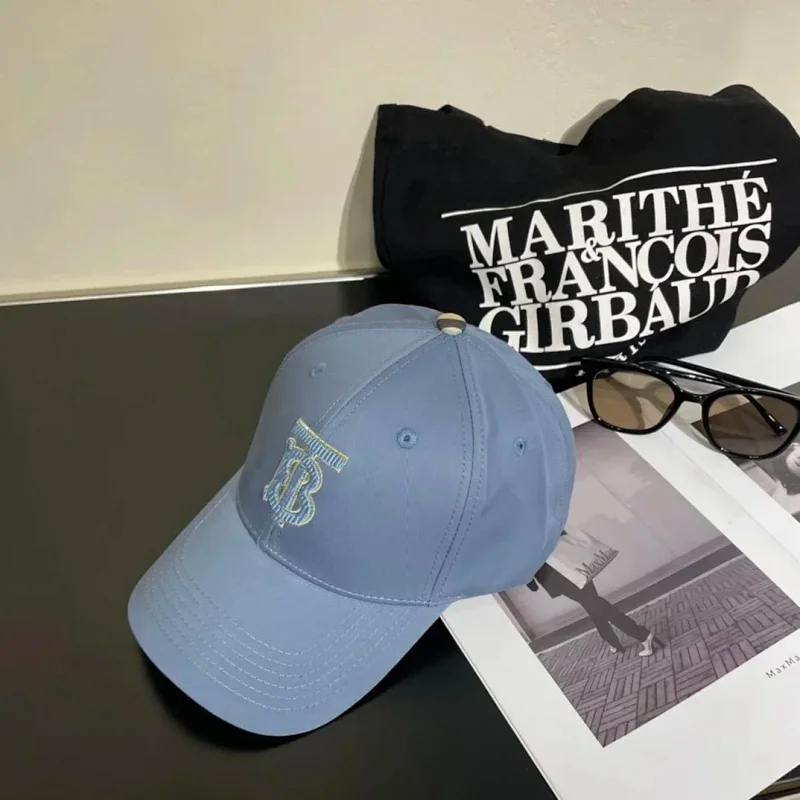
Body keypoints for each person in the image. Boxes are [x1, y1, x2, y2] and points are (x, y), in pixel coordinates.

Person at [528, 560, 662, 656]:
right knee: (593, 605)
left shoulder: (519, 545)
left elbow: (531, 583)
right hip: (574, 565)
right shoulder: (538, 529)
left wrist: (531, 580)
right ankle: (613, 640)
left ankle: (642, 635)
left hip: (557, 579)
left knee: (596, 605)